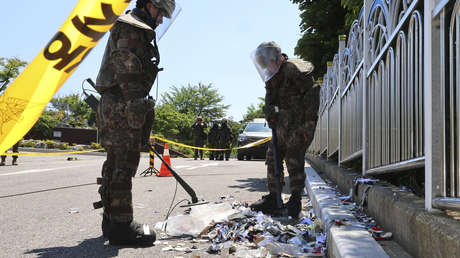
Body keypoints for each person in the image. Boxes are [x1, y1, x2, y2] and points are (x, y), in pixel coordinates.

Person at [93, 0, 176, 246]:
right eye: (161, 13)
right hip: (122, 104)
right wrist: (137, 106)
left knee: (115, 162)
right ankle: (121, 227)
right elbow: (126, 66)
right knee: (123, 163)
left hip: (118, 102)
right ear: (150, 5)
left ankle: (111, 219)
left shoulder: (133, 26)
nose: (161, 20)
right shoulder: (132, 27)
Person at [249, 42, 319, 218]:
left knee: (294, 158)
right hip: (281, 125)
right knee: (272, 157)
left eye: (269, 63)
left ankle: (295, 200)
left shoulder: (295, 70)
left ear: (279, 58)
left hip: (300, 123)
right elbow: (270, 100)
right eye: (264, 65)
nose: (268, 68)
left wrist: (308, 124)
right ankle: (274, 197)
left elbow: (313, 93)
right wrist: (270, 112)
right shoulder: (271, 76)